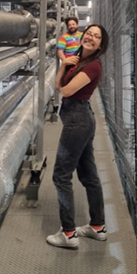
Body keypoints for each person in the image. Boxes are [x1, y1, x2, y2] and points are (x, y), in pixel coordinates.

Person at [47, 23, 109, 249]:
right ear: (83, 36)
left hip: (78, 120)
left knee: (61, 176)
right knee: (88, 174)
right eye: (89, 33)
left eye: (97, 37)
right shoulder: (76, 58)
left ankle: (68, 233)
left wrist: (64, 64)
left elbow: (66, 91)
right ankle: (97, 227)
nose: (91, 37)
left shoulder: (93, 66)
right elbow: (56, 84)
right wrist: (64, 64)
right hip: (79, 119)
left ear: (101, 44)